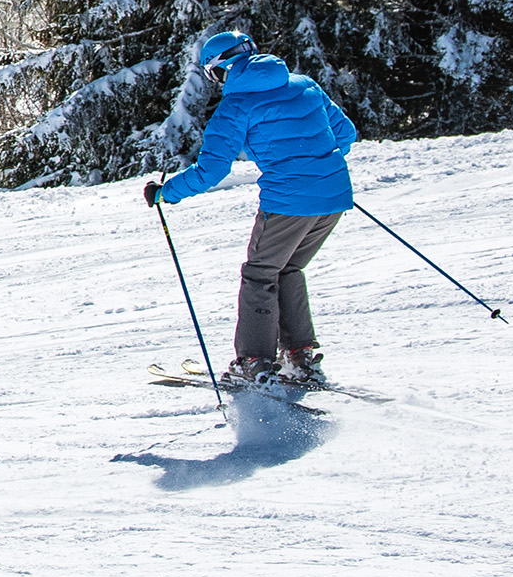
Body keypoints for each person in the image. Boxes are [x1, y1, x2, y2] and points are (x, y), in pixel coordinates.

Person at [143, 28, 359, 388]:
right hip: (334, 194)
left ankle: (254, 362)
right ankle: (299, 356)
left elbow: (211, 169)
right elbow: (346, 135)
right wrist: (315, 165)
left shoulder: (236, 107)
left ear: (221, 68)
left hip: (289, 201)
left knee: (260, 274)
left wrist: (166, 193)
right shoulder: (303, 84)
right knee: (288, 269)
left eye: (214, 73)